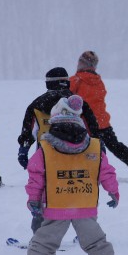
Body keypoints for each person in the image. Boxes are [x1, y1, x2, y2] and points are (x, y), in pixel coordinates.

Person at [22, 95, 120, 255]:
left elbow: (36, 177)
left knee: (42, 244)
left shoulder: (45, 148)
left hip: (56, 205)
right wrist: (113, 191)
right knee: (97, 243)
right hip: (84, 204)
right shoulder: (94, 146)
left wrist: (33, 199)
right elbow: (105, 170)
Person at [17, 67, 100, 233]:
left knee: (44, 193)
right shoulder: (78, 103)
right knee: (79, 191)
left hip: (47, 158)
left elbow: (29, 131)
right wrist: (99, 150)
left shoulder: (36, 104)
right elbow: (92, 130)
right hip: (79, 157)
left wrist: (23, 150)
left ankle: (40, 233)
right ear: (66, 82)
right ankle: (87, 232)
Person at [70, 51, 128, 182]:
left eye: (80, 62)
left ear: (83, 64)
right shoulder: (98, 81)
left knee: (84, 149)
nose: (78, 64)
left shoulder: (76, 80)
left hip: (85, 123)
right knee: (115, 146)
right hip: (103, 122)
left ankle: (88, 173)